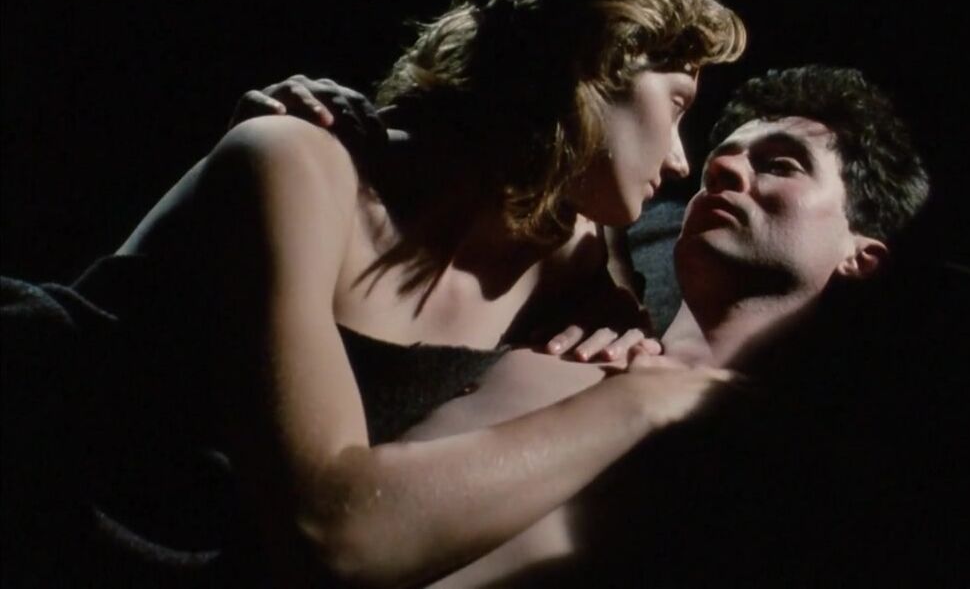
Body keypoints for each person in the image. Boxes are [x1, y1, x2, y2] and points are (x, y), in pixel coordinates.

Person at [0, 0, 745, 587]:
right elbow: (330, 534)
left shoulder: (570, 258)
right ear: (596, 62)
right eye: (677, 103)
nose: (681, 160)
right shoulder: (294, 161)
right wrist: (648, 399)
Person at [387, 65, 933, 585]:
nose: (721, 170)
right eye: (720, 159)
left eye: (782, 165)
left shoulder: (824, 489)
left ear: (860, 255)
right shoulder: (570, 346)